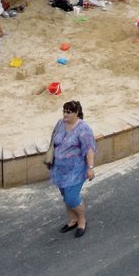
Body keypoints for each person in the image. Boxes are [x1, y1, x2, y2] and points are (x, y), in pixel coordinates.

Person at [49, 100, 97, 237]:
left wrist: (90, 168)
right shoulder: (60, 123)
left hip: (75, 170)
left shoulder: (83, 129)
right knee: (65, 196)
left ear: (76, 113)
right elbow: (54, 142)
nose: (65, 114)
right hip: (60, 169)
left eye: (68, 112)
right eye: (64, 111)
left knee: (71, 197)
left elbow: (89, 149)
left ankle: (82, 220)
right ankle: (72, 220)